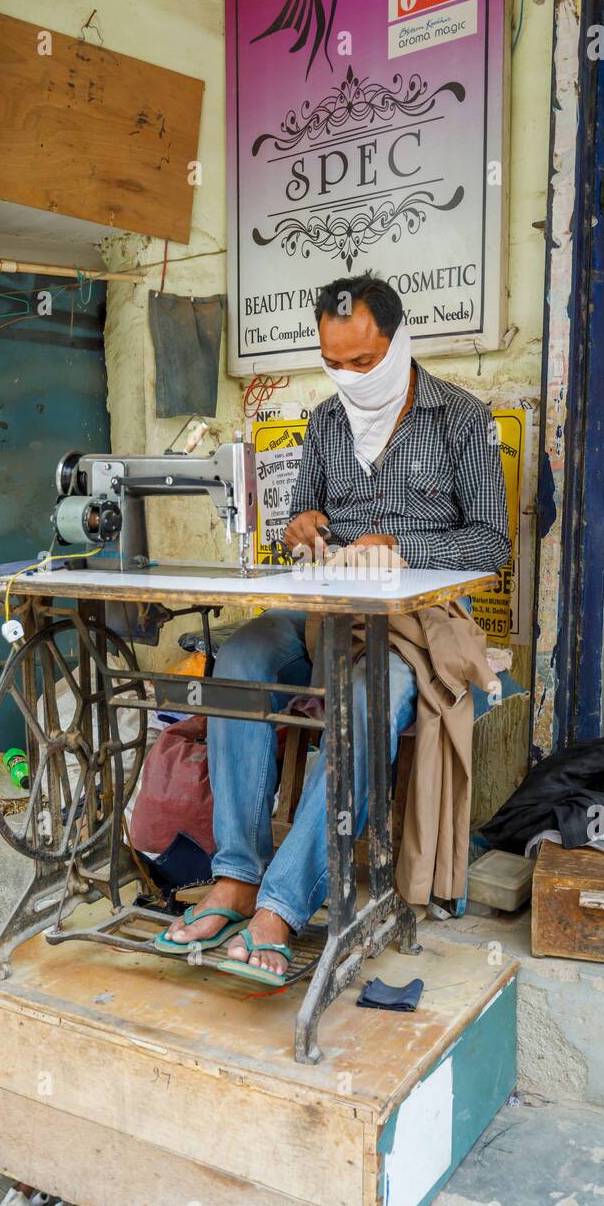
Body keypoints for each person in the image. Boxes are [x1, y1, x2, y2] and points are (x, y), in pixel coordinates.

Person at [160, 272, 510, 977]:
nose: (350, 377)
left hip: (418, 620)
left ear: (399, 340)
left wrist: (403, 550)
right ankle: (235, 876)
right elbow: (299, 529)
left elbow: (492, 544)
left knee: (361, 701)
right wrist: (302, 529)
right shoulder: (324, 424)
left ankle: (281, 906)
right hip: (326, 610)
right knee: (244, 658)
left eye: (365, 361)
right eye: (335, 364)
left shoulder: (463, 420)